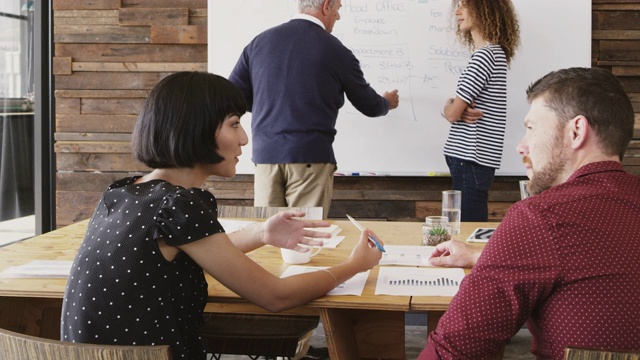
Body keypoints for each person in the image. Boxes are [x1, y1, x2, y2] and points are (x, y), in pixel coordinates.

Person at [60, 72, 383, 360]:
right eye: (234, 123)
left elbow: (184, 250)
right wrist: (354, 266)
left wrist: (261, 234)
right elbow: (276, 296)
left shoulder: (123, 193)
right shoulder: (178, 204)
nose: (244, 138)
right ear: (195, 128)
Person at [419, 67, 640, 359]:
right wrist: (478, 256)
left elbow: (455, 350)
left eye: (532, 128)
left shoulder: (542, 217)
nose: (521, 146)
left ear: (576, 131)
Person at [228, 0, 400, 219]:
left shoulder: (259, 43)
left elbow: (232, 96)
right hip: (310, 157)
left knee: (266, 235)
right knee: (304, 235)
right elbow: (370, 105)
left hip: (265, 157)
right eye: (338, 9)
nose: (338, 16)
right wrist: (386, 103)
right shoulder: (336, 50)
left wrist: (267, 105)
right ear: (326, 6)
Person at [441, 0, 520, 222]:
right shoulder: (495, 55)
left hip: (470, 158)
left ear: (485, 9)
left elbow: (452, 114)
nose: (457, 11)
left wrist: (448, 106)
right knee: (470, 223)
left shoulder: (485, 56)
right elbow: (459, 110)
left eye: (465, 5)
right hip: (476, 160)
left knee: (467, 228)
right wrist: (454, 107)